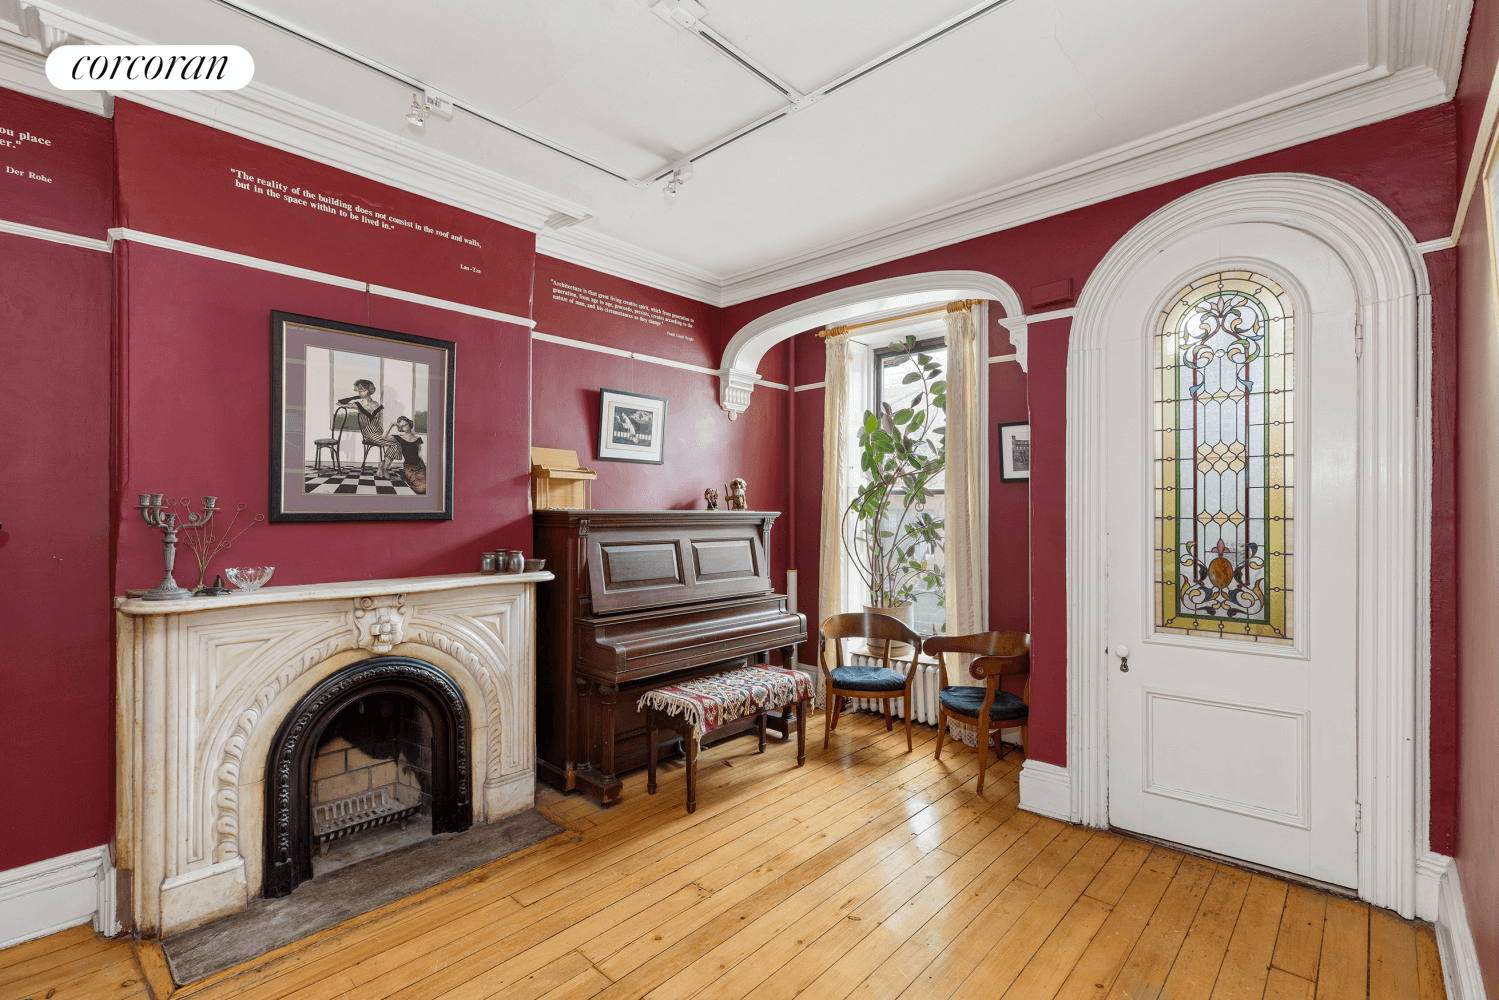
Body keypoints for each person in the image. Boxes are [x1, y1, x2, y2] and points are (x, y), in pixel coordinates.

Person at [337, 380, 401, 477]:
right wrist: (355, 397)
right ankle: (384, 468)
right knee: (394, 444)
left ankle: (383, 466)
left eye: (362, 389)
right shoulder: (358, 405)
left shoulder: (378, 405)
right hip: (369, 433)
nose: (360, 391)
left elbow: (382, 421)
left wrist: (385, 432)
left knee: (397, 443)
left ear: (369, 390)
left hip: (379, 432)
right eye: (359, 390)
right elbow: (339, 403)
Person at [385, 415, 427, 494]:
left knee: (429, 483)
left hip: (420, 466)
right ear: (401, 428)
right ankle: (406, 475)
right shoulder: (400, 438)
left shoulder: (418, 439)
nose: (406, 427)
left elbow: (420, 456)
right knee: (421, 488)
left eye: (406, 424)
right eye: (402, 426)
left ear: (409, 424)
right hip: (409, 467)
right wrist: (391, 425)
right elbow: (384, 436)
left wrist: (424, 467)